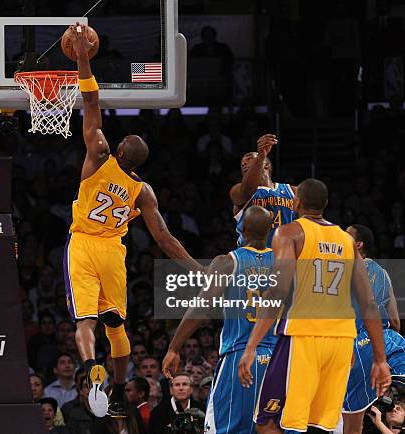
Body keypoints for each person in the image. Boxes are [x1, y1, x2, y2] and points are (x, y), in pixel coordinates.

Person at [64, 24, 201, 419]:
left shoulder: (99, 154)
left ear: (120, 148)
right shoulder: (144, 191)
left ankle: (93, 372)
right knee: (115, 324)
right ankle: (121, 388)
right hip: (113, 251)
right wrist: (197, 270)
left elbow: (90, 101)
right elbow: (166, 239)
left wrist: (83, 55)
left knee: (85, 322)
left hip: (84, 244)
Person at [237, 179, 391, 433]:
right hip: (341, 341)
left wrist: (251, 345)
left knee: (267, 420)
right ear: (325, 205)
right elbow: (368, 302)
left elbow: (278, 290)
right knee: (319, 426)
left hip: (303, 337)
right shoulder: (346, 240)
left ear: (296, 203)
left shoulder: (288, 233)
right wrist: (380, 359)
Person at [163, 206, 277, 434]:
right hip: (277, 359)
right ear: (271, 230)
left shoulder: (228, 261)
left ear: (241, 229)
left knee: (223, 429)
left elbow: (201, 308)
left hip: (240, 356)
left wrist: (174, 347)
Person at [342, 224, 405, 434]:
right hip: (390, 341)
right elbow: (395, 321)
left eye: (347, 234)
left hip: (357, 346)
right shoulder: (383, 273)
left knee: (352, 422)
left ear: (358, 244)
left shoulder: (341, 267)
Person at [230, 134, 297, 246]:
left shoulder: (292, 191)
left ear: (266, 165)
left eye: (249, 159)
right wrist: (260, 157)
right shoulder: (237, 191)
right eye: (242, 164)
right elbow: (246, 190)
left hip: (283, 258)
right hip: (252, 259)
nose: (244, 163)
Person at [62, 369, 96, 434]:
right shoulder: (74, 415)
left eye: (93, 386)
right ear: (80, 391)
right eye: (86, 386)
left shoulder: (106, 412)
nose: (90, 389)